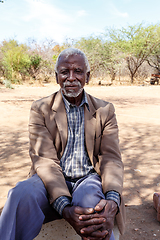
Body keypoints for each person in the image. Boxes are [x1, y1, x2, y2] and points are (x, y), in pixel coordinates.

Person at [0, 48, 125, 240]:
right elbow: (45, 161)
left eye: (78, 71)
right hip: (48, 179)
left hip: (87, 177)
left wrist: (113, 200)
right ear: (56, 76)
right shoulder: (41, 109)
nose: (71, 78)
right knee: (20, 195)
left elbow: (111, 158)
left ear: (88, 76)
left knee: (95, 212)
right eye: (65, 72)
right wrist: (64, 207)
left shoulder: (105, 110)